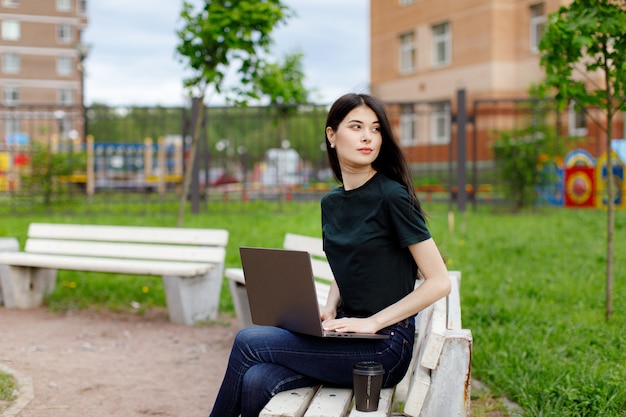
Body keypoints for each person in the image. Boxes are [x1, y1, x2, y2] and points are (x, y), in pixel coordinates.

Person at [208, 93, 451, 417]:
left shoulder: (392, 196)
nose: (368, 136)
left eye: (376, 128)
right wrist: (330, 306)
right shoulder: (331, 204)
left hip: (384, 345)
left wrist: (372, 322)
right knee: (255, 378)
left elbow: (439, 282)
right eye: (356, 126)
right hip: (346, 335)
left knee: (249, 340)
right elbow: (347, 259)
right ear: (331, 135)